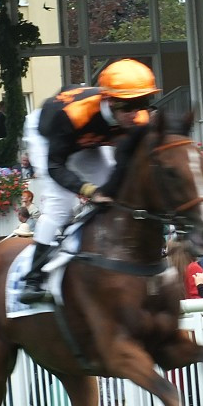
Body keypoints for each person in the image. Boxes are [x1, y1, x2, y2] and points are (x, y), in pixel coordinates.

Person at [21, 59, 157, 303]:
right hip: (51, 139)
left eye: (143, 103)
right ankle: (33, 279)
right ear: (110, 100)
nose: (136, 113)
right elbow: (55, 166)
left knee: (116, 193)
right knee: (59, 206)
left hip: (89, 140)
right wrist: (89, 190)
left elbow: (128, 165)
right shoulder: (71, 114)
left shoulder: (138, 119)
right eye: (129, 106)